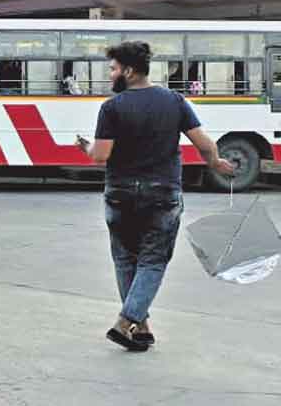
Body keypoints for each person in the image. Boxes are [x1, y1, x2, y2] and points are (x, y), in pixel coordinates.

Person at [76, 41, 235, 353]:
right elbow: (203, 143)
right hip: (162, 193)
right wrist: (215, 163)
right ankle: (140, 326)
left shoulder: (112, 107)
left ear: (129, 71)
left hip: (121, 193)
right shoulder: (174, 101)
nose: (111, 75)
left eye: (113, 69)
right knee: (152, 260)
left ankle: (127, 322)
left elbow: (101, 155)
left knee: (125, 259)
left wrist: (86, 148)